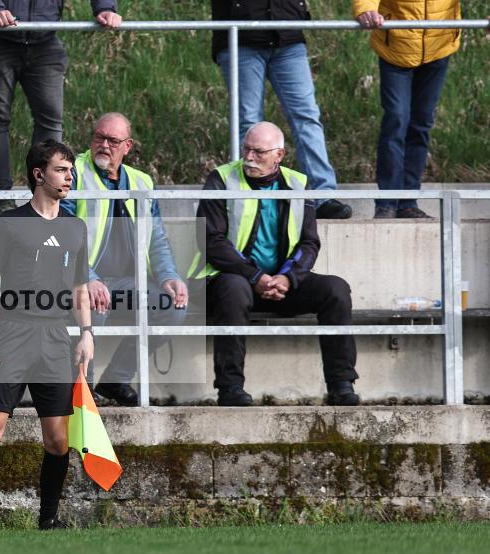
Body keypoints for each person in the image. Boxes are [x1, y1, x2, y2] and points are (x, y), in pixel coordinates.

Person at [0, 140, 93, 531]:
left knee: (57, 440)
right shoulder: (10, 224)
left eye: (71, 170)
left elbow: (80, 286)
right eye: (61, 169)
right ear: (38, 174)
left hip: (54, 338)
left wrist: (86, 332)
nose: (70, 176)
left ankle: (48, 519)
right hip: (12, 334)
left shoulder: (75, 226)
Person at [189, 123, 359, 407]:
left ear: (279, 154)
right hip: (228, 281)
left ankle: (341, 384)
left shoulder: (297, 184)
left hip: (279, 284)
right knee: (234, 287)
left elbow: (309, 243)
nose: (249, 157)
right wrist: (255, 276)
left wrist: (288, 278)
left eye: (259, 152)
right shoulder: (221, 179)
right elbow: (211, 241)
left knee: (336, 289)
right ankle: (230, 388)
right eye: (246, 149)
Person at [61, 113, 187, 407]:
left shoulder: (142, 181)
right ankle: (82, 392)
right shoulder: (73, 171)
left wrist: (169, 276)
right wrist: (87, 278)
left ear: (127, 146)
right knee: (92, 307)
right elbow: (63, 231)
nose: (104, 145)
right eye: (98, 137)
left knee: (172, 309)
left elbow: (156, 238)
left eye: (113, 141)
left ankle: (116, 379)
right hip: (80, 279)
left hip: (127, 283)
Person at [0, 1, 122, 216]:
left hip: (45, 39)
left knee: (51, 120)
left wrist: (105, 8)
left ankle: (43, 195)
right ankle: (2, 199)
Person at [211, 0, 351, 220]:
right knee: (247, 122)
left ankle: (323, 196)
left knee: (307, 117)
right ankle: (247, 197)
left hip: (288, 37)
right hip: (241, 37)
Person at [354, 0, 460, 219]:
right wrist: (365, 9)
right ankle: (387, 202)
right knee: (397, 119)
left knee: (421, 123)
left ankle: (408, 203)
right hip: (397, 49)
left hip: (438, 48)